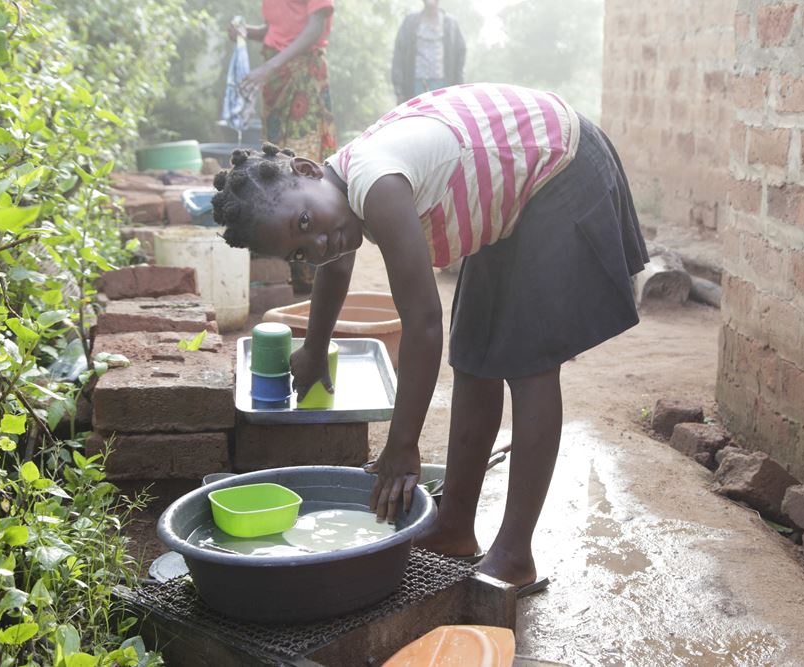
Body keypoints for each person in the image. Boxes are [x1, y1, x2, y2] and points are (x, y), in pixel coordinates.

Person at [210, 83, 649, 593]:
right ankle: (454, 528)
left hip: (560, 164)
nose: (320, 243)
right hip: (512, 195)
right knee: (475, 355)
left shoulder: (378, 184)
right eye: (301, 251)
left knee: (528, 364)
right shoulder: (339, 191)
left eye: (305, 222)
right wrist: (313, 348)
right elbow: (336, 263)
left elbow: (422, 322)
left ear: (309, 170)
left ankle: (515, 555)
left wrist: (402, 445)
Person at [231, 0, 337, 292]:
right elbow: (279, 28)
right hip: (276, 81)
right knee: (277, 168)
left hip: (303, 76)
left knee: (304, 167)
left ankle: (320, 270)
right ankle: (289, 267)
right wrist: (247, 32)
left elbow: (315, 27)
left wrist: (270, 65)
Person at [391, 0, 466, 104]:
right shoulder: (410, 22)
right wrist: (399, 91)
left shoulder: (450, 24)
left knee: (440, 114)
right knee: (417, 114)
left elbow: (460, 57)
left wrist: (458, 87)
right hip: (415, 86)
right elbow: (399, 55)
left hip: (443, 86)